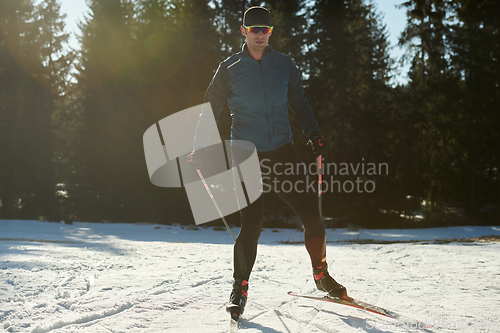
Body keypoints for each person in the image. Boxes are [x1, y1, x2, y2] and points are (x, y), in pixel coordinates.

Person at [188, 6, 347, 317]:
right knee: (253, 224)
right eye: (254, 29)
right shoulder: (230, 68)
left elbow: (300, 103)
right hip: (246, 154)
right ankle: (239, 288)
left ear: (271, 32)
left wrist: (313, 133)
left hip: (284, 151)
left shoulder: (284, 66)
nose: (260, 35)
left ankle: (321, 276)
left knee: (312, 217)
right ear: (244, 32)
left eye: (265, 30)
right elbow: (210, 107)